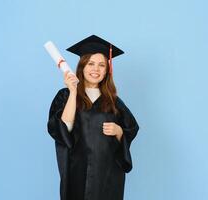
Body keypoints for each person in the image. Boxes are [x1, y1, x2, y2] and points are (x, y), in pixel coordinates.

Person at [47, 35, 140, 200]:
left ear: (107, 70)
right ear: (82, 66)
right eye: (90, 63)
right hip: (77, 172)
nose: (96, 69)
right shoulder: (65, 96)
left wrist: (119, 131)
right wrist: (73, 91)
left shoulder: (114, 101)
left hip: (108, 175)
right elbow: (63, 129)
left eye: (101, 65)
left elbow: (131, 129)